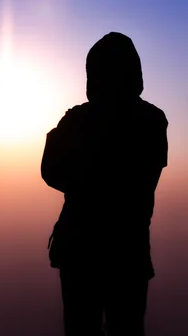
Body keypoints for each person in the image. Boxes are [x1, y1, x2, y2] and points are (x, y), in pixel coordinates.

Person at [41, 32, 168, 336]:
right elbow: (143, 177)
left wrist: (83, 179)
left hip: (81, 252)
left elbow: (50, 170)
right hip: (128, 252)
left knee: (81, 327)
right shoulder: (151, 120)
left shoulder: (76, 121)